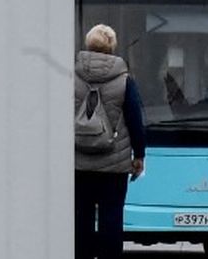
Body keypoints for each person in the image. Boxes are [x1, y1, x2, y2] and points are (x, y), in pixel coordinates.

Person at [75, 23, 146, 259]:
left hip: (78, 162)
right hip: (114, 164)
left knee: (81, 217)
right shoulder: (124, 80)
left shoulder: (71, 76)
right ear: (112, 47)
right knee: (112, 217)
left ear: (88, 44)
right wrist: (139, 155)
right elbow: (135, 120)